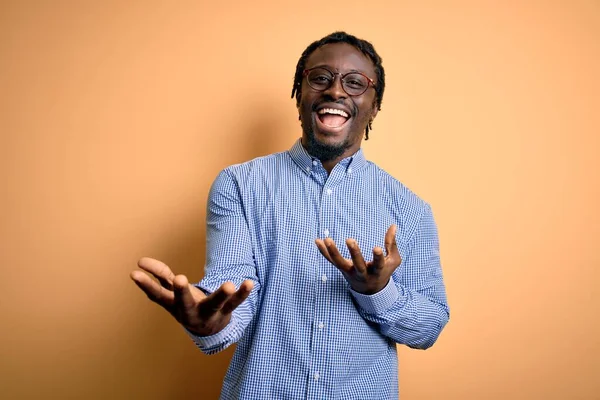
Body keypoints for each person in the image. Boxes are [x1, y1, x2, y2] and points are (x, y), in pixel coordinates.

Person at [131, 31, 450, 399]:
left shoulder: (410, 210)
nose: (336, 91)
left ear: (374, 106)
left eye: (355, 82)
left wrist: (379, 291)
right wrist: (212, 324)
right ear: (299, 94)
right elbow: (234, 286)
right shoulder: (239, 184)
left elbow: (429, 327)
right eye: (320, 78)